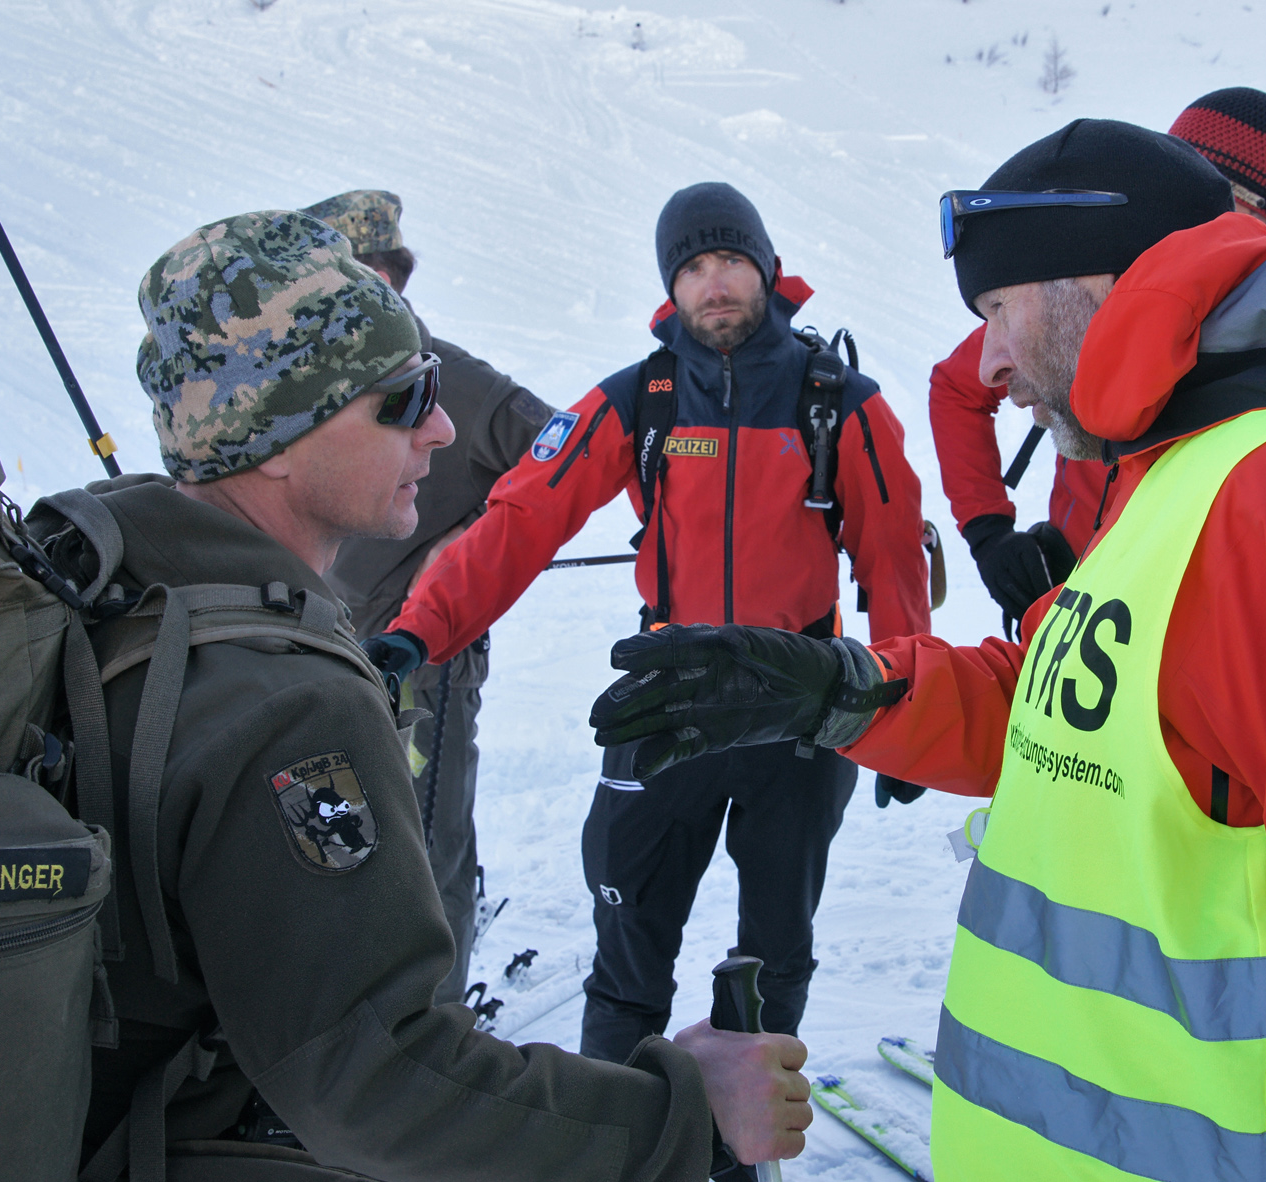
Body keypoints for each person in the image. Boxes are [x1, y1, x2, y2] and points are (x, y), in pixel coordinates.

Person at [587, 120, 1266, 1182]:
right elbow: (1079, 705)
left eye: (994, 312)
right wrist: (840, 691)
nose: (984, 360)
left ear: (1094, 284)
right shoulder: (1174, 467)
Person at [77, 209, 810, 1180]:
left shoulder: (120, 586)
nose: (443, 425)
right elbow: (379, 1079)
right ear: (280, 431)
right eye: (403, 397)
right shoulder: (286, 701)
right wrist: (684, 1116)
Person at [367, 182, 933, 1064]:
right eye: (694, 266)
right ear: (671, 286)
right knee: (629, 952)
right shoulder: (641, 400)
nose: (715, 284)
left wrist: (906, 710)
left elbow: (893, 561)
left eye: (732, 262)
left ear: (767, 269)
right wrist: (419, 629)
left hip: (801, 705)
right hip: (667, 702)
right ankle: (619, 1130)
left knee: (775, 952)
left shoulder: (841, 405)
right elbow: (520, 521)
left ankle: (747, 1138)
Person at [306, 188, 556, 1006]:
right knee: (345, 830)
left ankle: (436, 1031)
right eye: (346, 274)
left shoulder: (445, 373)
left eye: (382, 272)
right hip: (330, 644)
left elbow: (566, 445)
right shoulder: (313, 380)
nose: (372, 289)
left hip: (430, 654)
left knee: (427, 836)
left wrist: (472, 540)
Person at [934, 87, 1266, 631]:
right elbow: (958, 388)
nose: (1193, 237)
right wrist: (988, 531)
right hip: (1071, 581)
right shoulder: (1083, 308)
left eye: (1231, 209)